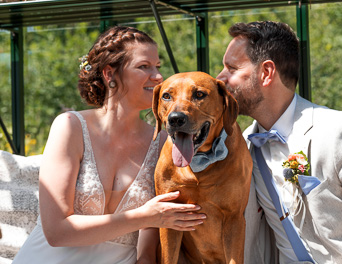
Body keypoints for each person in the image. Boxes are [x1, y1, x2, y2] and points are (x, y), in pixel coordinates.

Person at [13, 26, 206, 264]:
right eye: (144, 66)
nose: (157, 77)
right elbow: (57, 231)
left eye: (158, 66)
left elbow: (147, 249)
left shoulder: (162, 142)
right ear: (109, 74)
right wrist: (143, 217)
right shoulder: (70, 127)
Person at [217, 21, 342, 264]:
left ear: (267, 73)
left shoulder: (337, 131)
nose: (220, 77)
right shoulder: (244, 146)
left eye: (231, 68)